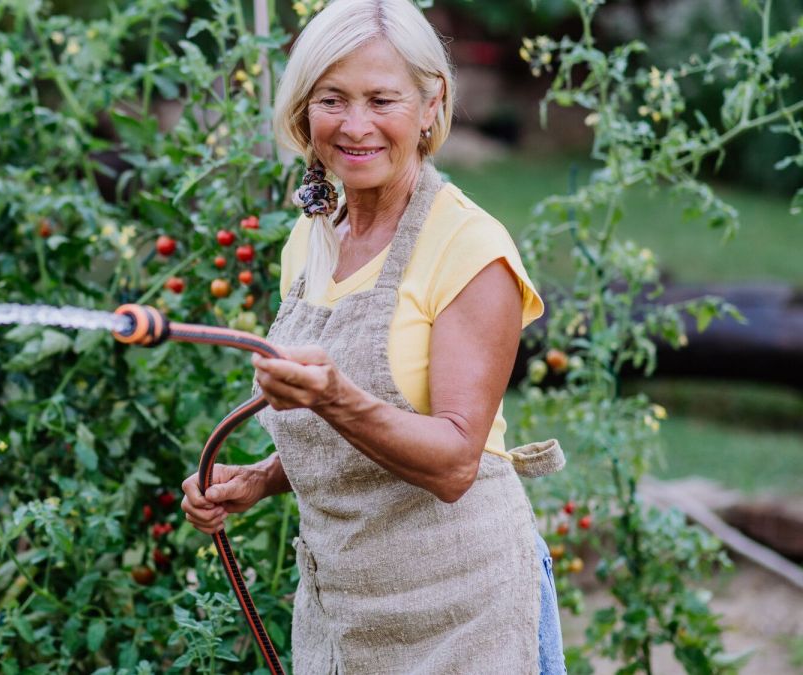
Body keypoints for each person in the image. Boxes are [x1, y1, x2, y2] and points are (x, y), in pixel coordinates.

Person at [179, 1, 567, 673]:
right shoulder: (311, 242)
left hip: (466, 612)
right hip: (344, 614)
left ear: (430, 103)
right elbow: (351, 438)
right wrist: (262, 478)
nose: (355, 126)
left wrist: (334, 396)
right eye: (332, 99)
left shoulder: (471, 249)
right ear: (304, 110)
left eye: (382, 100)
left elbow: (453, 463)